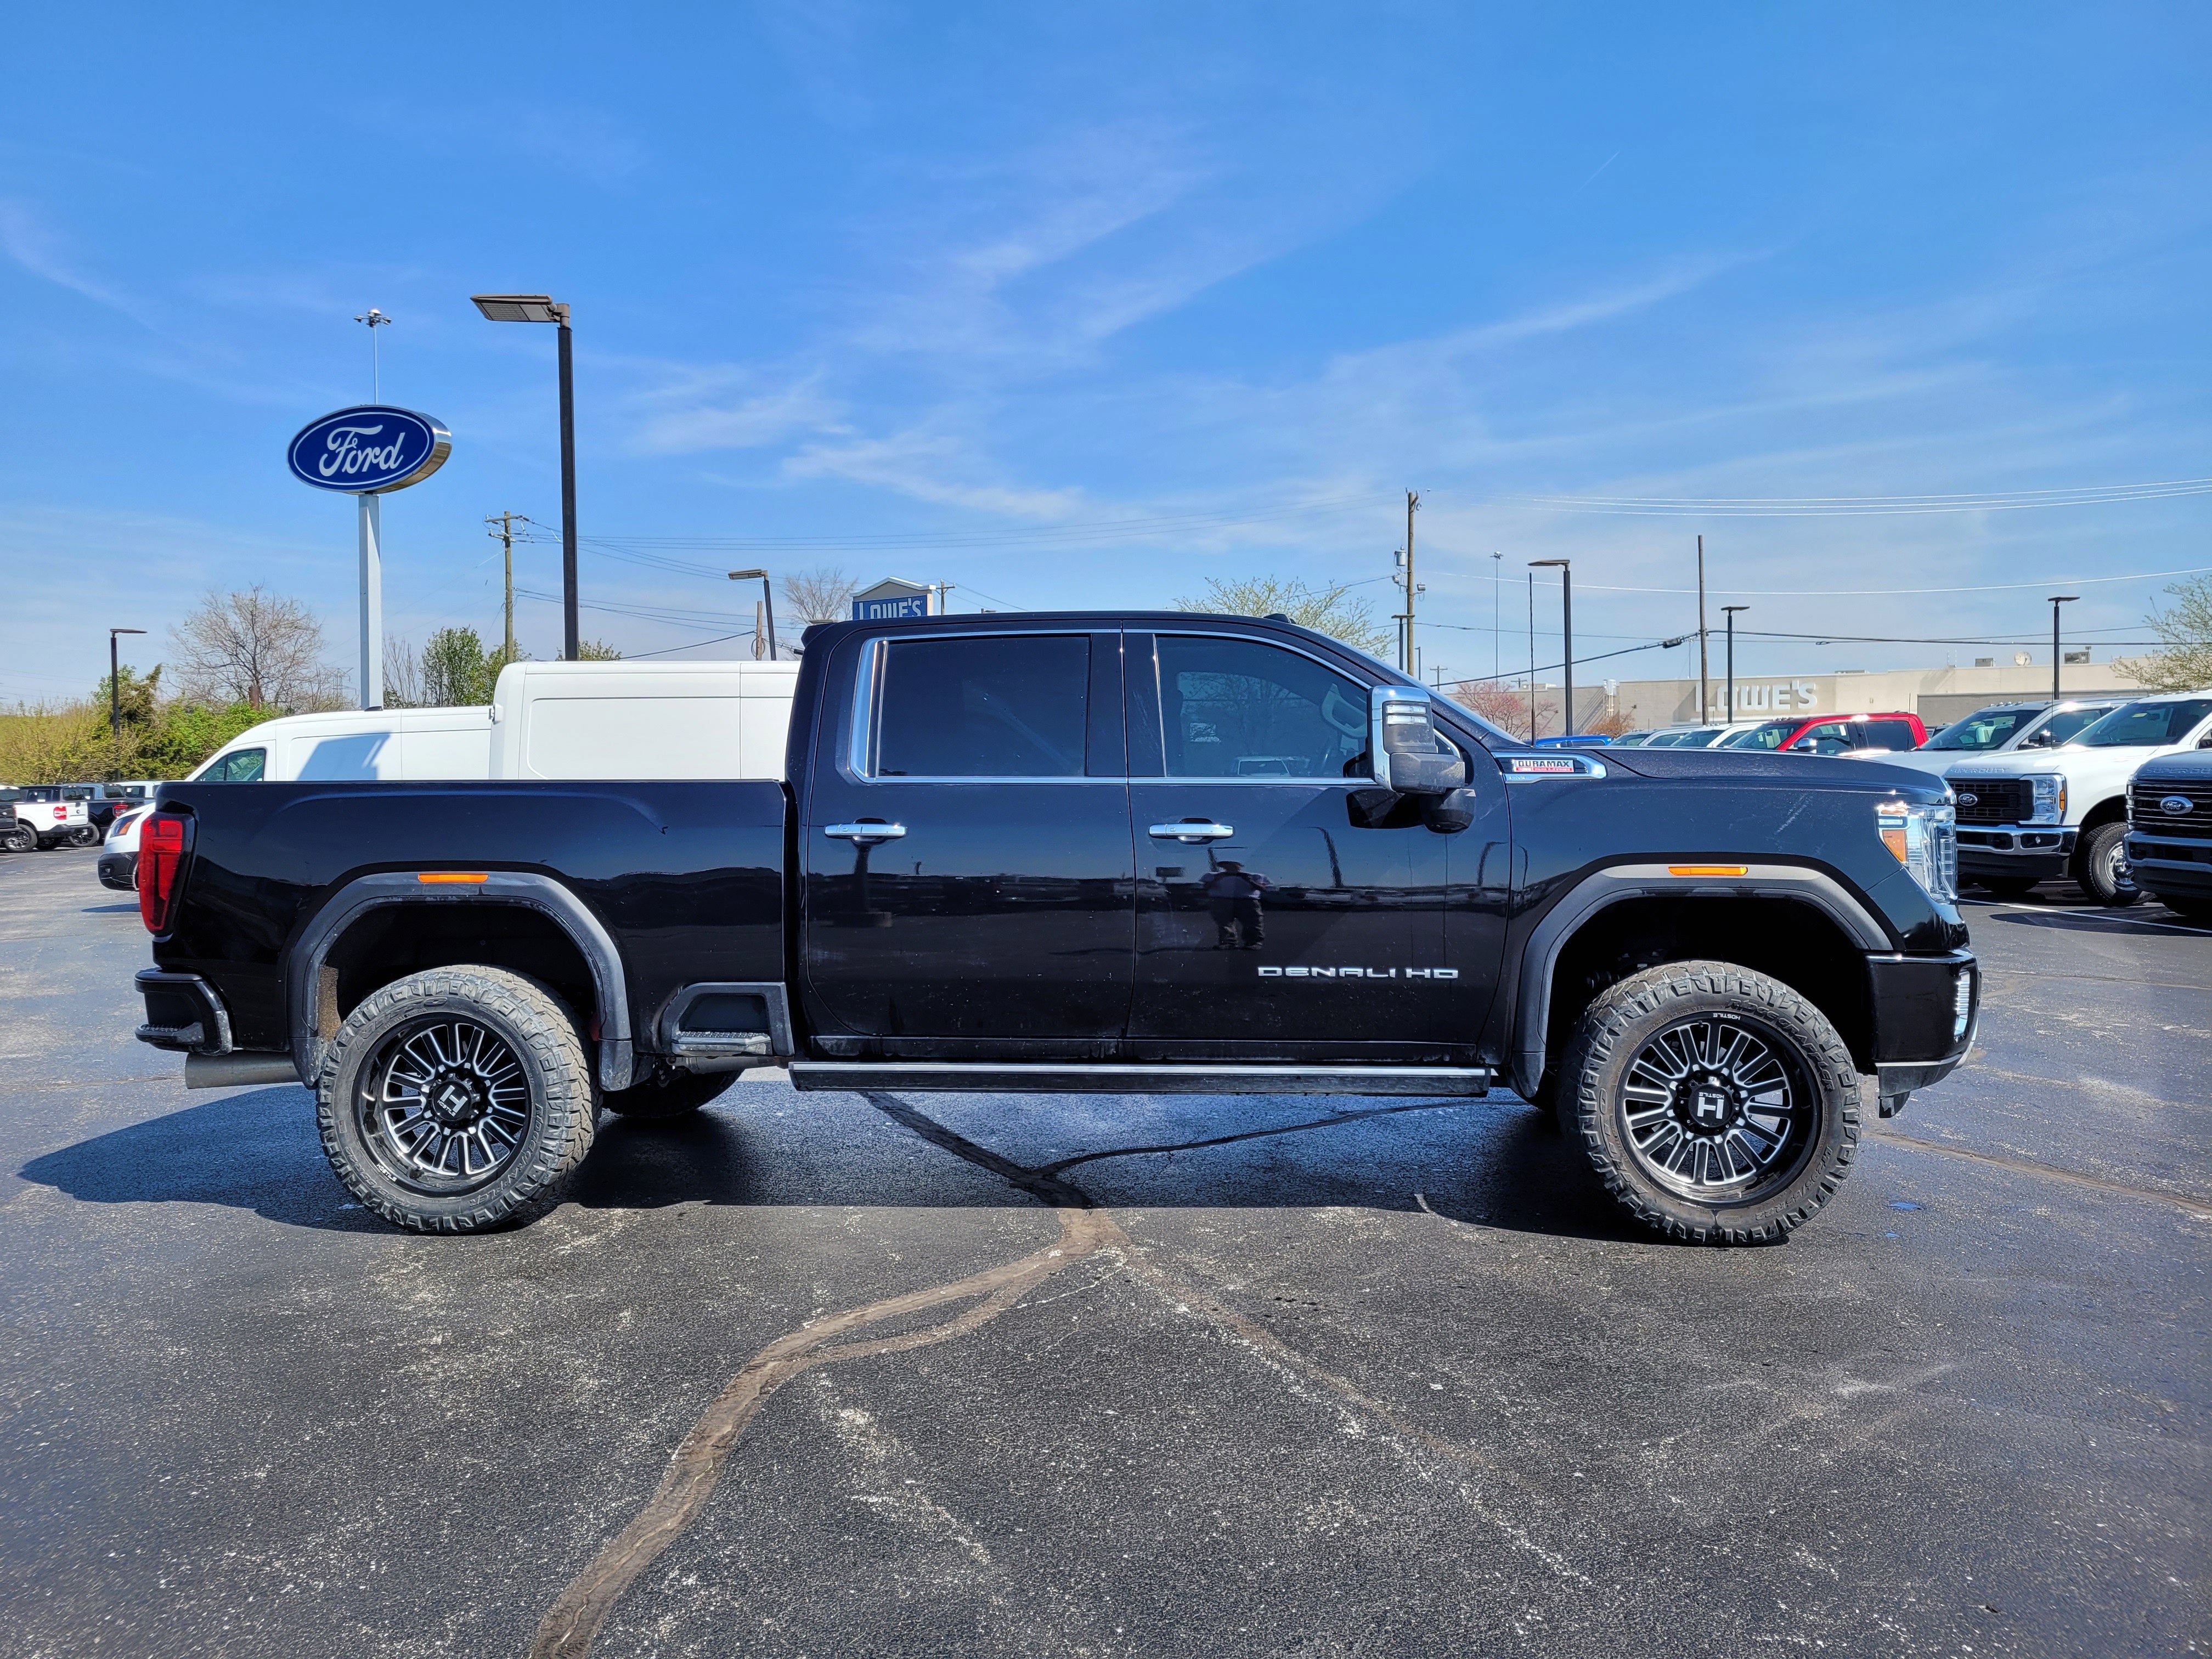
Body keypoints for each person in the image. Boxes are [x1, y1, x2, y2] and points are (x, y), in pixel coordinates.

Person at [1200, 860, 1271, 949]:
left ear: (1240, 866)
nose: (1229, 867)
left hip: (1247, 901)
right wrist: (1216, 880)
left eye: (1232, 865)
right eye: (1225, 865)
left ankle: (1253, 943)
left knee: (1252, 923)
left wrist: (1250, 881)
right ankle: (1228, 943)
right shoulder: (1213, 875)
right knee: (1224, 923)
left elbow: (1263, 888)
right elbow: (1206, 888)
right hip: (1222, 900)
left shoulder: (1254, 876)